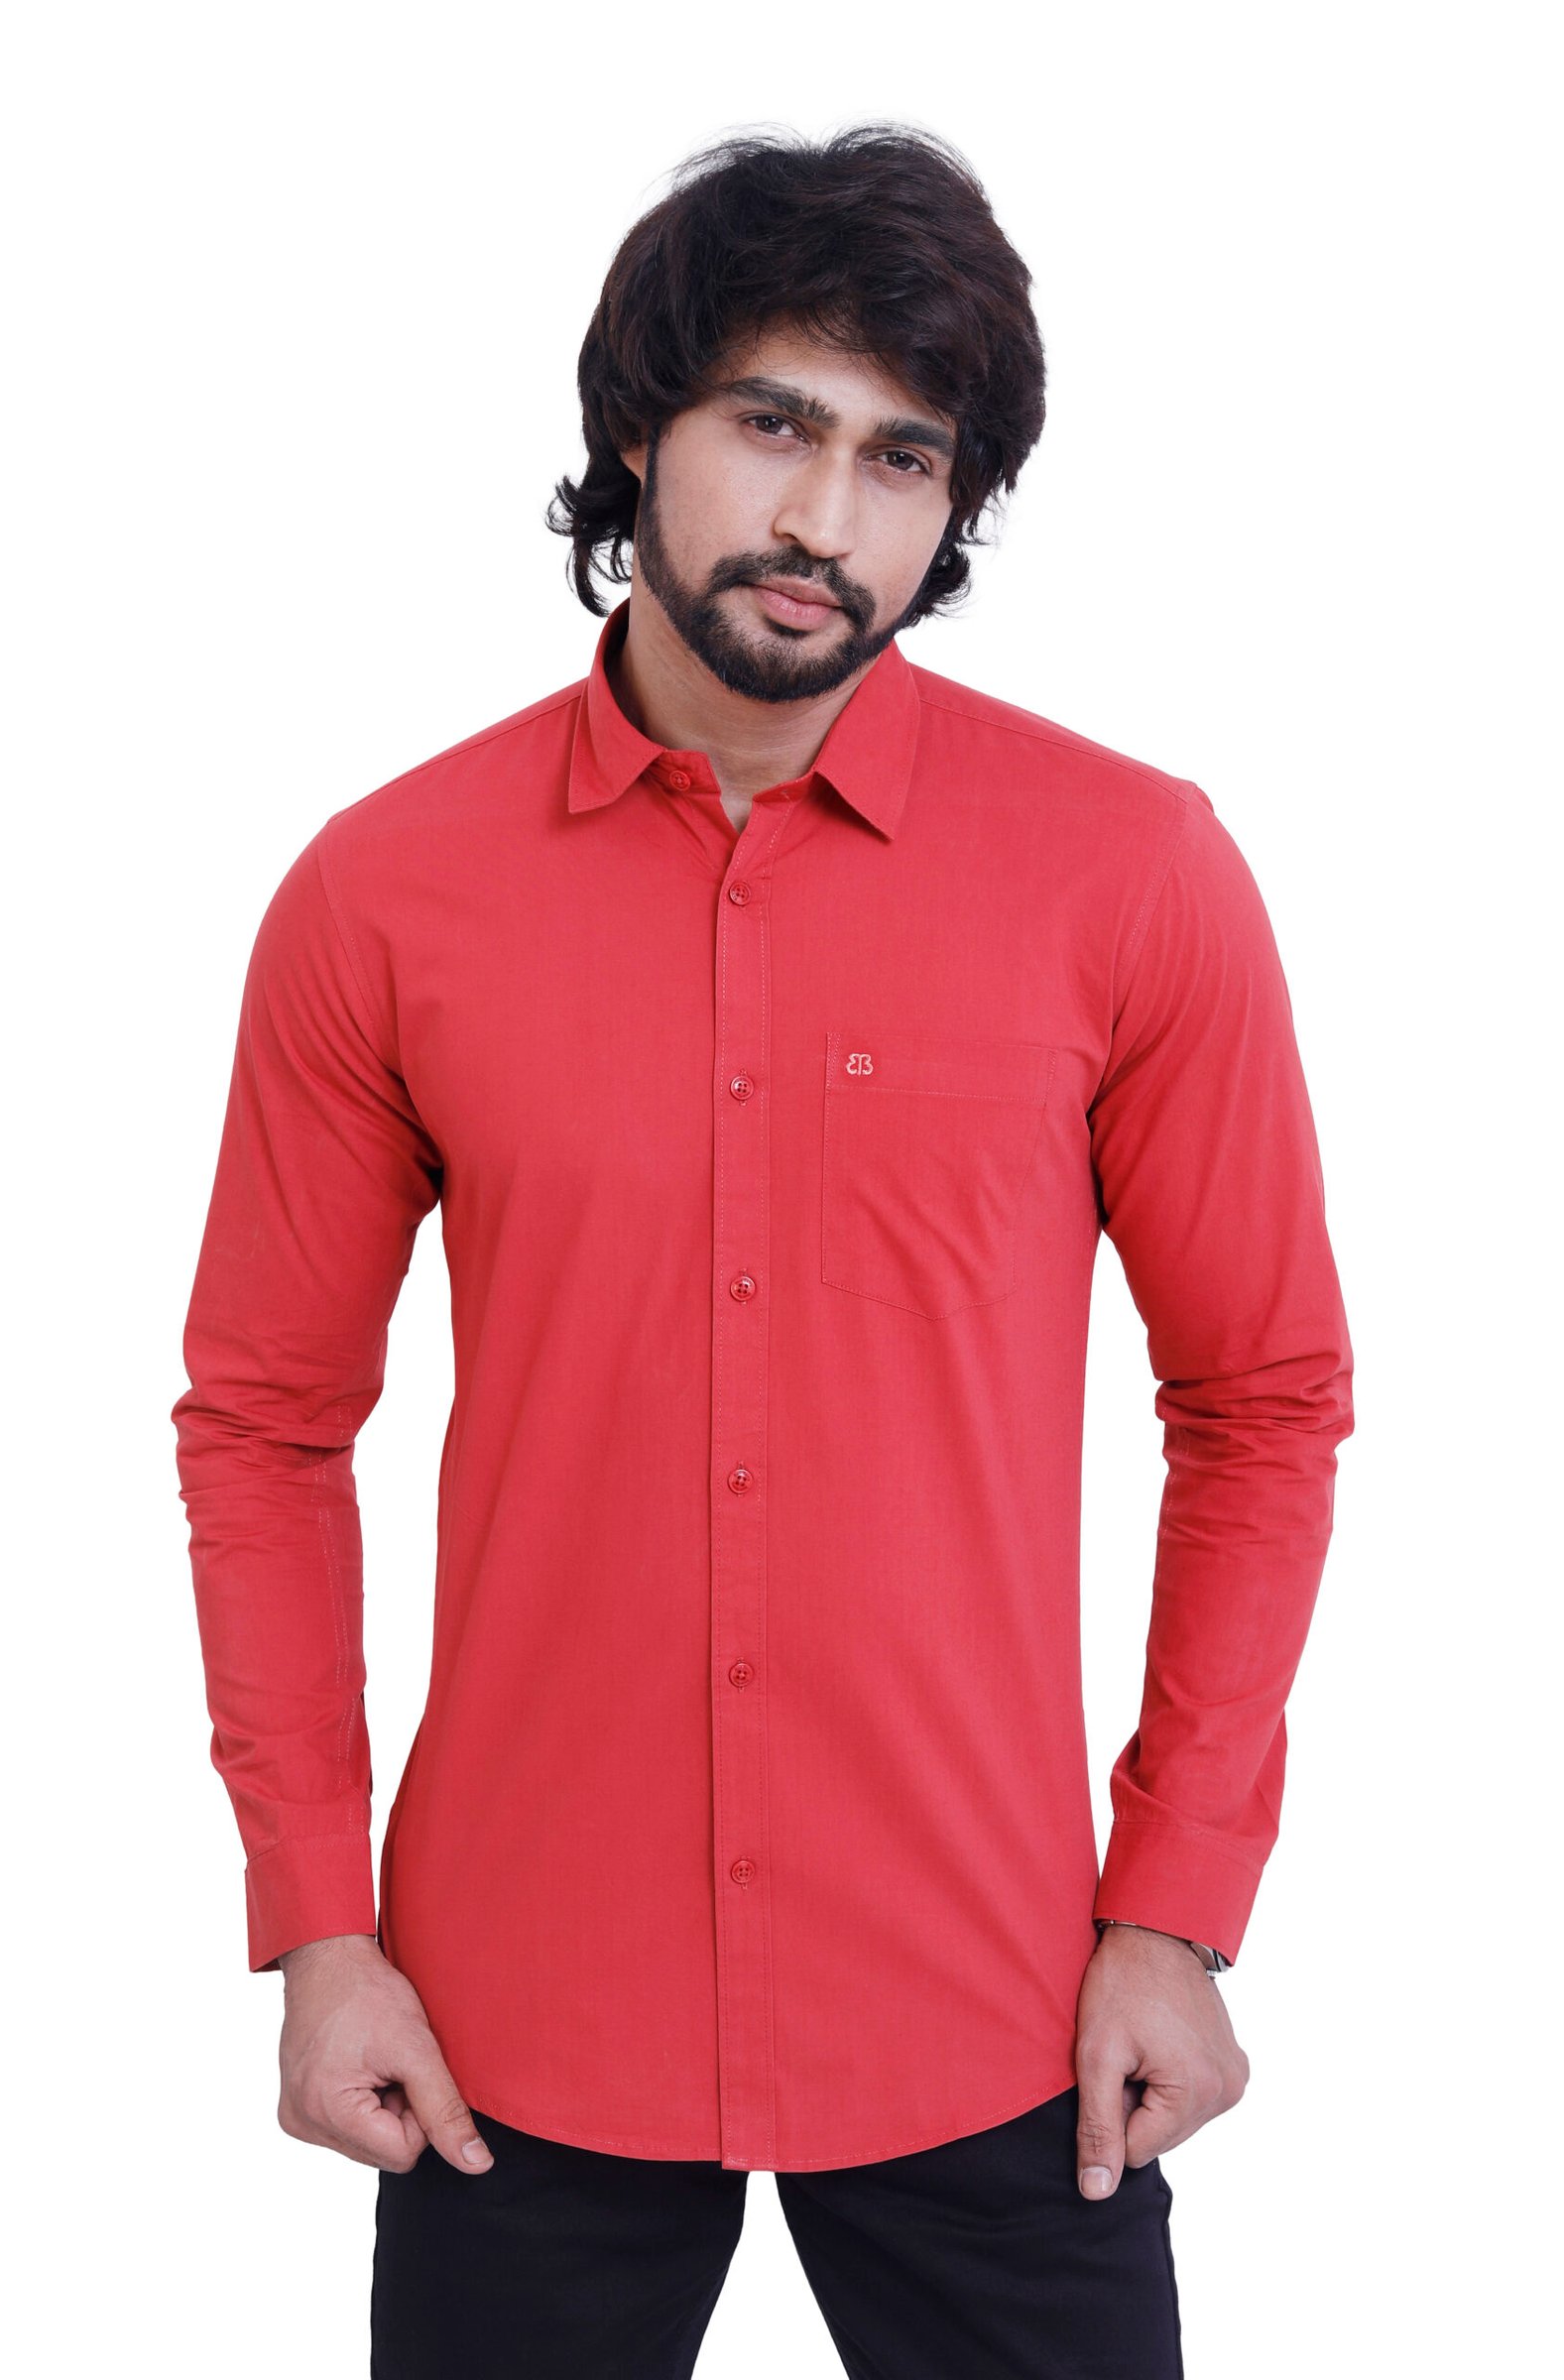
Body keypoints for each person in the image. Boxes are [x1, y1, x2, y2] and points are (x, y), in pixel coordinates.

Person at [172, 120, 1355, 2378]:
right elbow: (265, 1427)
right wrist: (317, 1924)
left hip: (1003, 2006)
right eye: (773, 424)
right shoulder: (383, 895)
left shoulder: (1129, 875)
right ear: (639, 429)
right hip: (513, 2022)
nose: (827, 518)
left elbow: (1263, 1402)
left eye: (903, 459)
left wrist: (1178, 1908)